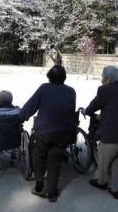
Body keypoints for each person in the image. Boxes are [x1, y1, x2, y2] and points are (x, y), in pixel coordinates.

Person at [81, 65, 118, 200]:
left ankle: (101, 182)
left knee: (103, 159)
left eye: (102, 77)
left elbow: (92, 107)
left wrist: (86, 111)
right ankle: (115, 190)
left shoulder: (105, 91)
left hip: (111, 135)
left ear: (108, 79)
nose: (101, 80)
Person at [20, 65, 76, 203]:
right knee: (55, 160)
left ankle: (39, 186)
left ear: (49, 77)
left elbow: (30, 106)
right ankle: (52, 194)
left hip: (45, 130)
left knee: (38, 155)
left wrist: (22, 117)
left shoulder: (44, 88)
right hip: (64, 131)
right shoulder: (71, 91)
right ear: (64, 78)